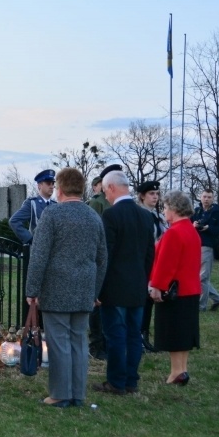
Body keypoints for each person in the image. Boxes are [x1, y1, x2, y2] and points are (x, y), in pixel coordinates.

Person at [26, 168, 107, 408]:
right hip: (84, 290)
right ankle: (77, 394)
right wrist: (94, 292)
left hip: (56, 288)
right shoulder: (94, 217)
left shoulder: (52, 215)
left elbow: (39, 256)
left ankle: (60, 394)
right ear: (82, 189)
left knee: (59, 342)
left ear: (59, 189)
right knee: (79, 342)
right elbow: (102, 259)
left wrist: (32, 290)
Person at [92, 169, 154, 396]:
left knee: (116, 336)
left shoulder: (111, 216)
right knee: (133, 335)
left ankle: (116, 382)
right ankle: (131, 380)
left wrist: (98, 289)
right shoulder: (146, 216)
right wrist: (143, 279)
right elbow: (150, 255)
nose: (105, 196)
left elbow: (105, 256)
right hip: (137, 286)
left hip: (115, 288)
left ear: (111, 188)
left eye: (105, 191)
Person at [148, 190, 201, 385]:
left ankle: (176, 372)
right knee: (184, 332)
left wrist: (156, 286)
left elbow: (166, 263)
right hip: (191, 290)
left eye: (165, 207)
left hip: (175, 291)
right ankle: (182, 369)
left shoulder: (174, 232)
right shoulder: (191, 231)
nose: (164, 211)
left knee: (174, 332)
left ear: (174, 208)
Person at [136, 180, 169, 353]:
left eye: (157, 194)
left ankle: (145, 335)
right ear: (142, 196)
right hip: (142, 262)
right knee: (142, 300)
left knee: (149, 300)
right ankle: (138, 336)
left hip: (156, 262)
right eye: (151, 194)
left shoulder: (158, 216)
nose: (155, 197)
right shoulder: (138, 214)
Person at [86, 174, 111, 361]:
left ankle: (106, 340)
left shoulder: (111, 201)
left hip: (111, 257)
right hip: (100, 256)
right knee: (97, 301)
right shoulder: (97, 202)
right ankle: (96, 343)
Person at [191, 188, 219, 311]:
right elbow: (187, 225)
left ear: (213, 199)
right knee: (198, 277)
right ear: (200, 197)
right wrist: (193, 225)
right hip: (194, 247)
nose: (206, 199)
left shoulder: (217, 213)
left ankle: (201, 306)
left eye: (209, 197)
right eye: (204, 197)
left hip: (207, 246)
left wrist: (208, 228)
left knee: (203, 277)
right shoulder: (196, 211)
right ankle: (217, 298)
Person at [9, 169, 57, 245]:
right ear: (39, 185)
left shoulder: (56, 205)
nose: (51, 186)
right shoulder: (32, 203)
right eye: (48, 183)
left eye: (53, 183)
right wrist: (30, 239)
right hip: (39, 248)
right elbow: (14, 221)